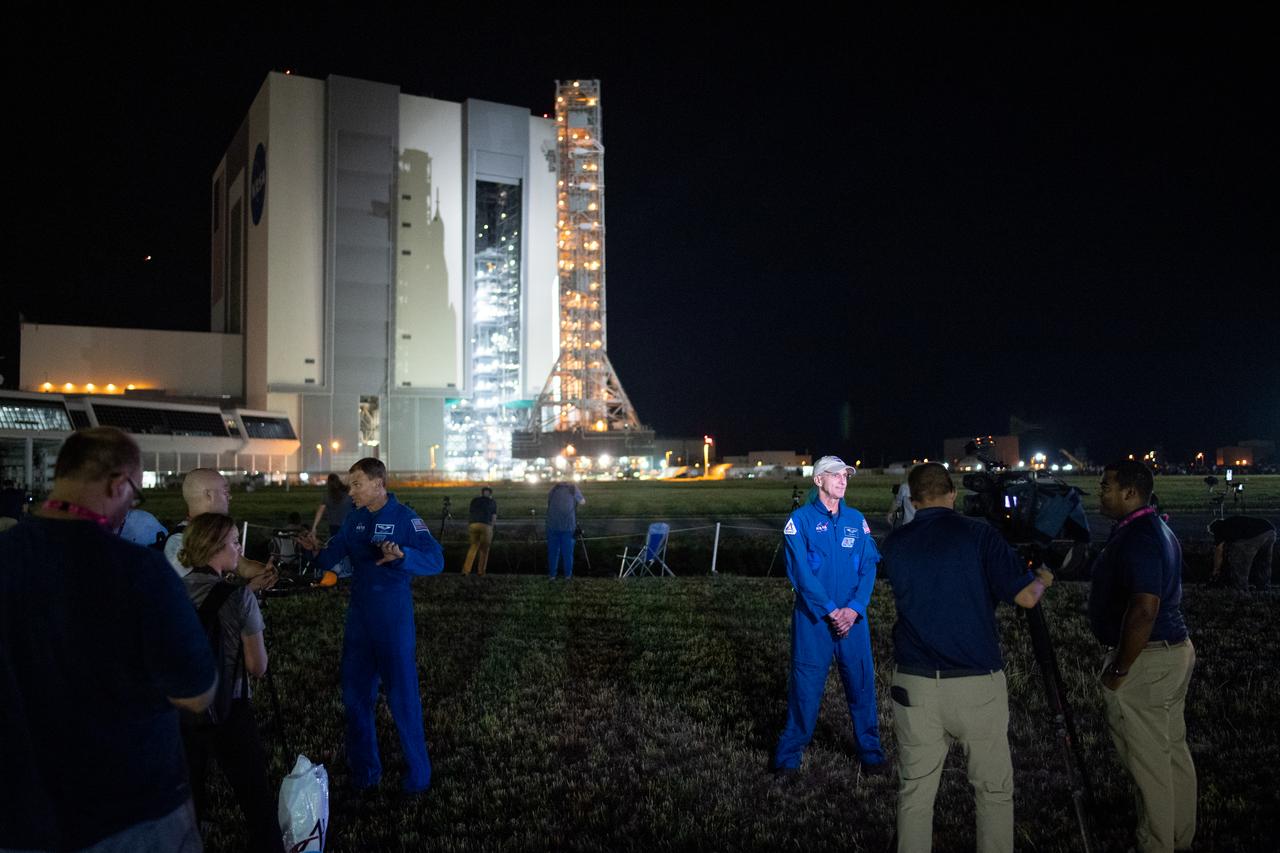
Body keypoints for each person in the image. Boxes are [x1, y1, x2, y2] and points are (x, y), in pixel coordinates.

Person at [1, 426, 216, 852]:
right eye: (134, 495)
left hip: (17, 814)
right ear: (119, 485)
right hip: (131, 813)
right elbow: (196, 694)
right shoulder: (140, 572)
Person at [880, 462, 1054, 852]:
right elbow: (1026, 598)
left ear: (912, 498)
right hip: (976, 682)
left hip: (915, 683)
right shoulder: (979, 535)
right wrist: (1042, 579)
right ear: (953, 493)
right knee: (992, 790)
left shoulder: (895, 544)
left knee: (915, 793)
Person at [295, 458, 444, 794]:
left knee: (402, 697)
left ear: (379, 483)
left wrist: (403, 555)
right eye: (350, 485)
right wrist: (312, 553)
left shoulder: (406, 518)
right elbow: (329, 558)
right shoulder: (354, 520)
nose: (351, 492)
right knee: (355, 697)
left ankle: (419, 777)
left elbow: (436, 560)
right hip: (359, 621)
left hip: (393, 620)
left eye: (357, 484)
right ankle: (365, 773)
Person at [1089, 459, 1196, 853]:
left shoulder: (1139, 538)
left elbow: (1144, 609)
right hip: (1170, 651)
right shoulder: (1155, 528)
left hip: (1147, 660)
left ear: (1130, 493)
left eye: (1105, 486)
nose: (1100, 492)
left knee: (1147, 763)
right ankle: (1180, 835)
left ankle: (1156, 844)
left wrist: (1120, 667)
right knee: (1171, 753)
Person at [771, 455, 887, 775]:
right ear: (818, 480)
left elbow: (868, 566)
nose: (842, 480)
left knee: (861, 686)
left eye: (846, 475)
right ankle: (789, 757)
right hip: (814, 622)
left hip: (853, 621)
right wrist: (831, 610)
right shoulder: (800, 521)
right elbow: (801, 574)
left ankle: (871, 753)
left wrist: (854, 609)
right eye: (835, 475)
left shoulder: (857, 520)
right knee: (805, 689)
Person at [176, 513, 279, 852]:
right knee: (255, 798)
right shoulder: (240, 598)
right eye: (235, 542)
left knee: (188, 793)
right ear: (217, 548)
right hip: (229, 707)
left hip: (181, 710)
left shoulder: (170, 591)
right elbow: (257, 666)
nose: (239, 549)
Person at [165, 468, 273, 589]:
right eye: (225, 492)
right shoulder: (179, 542)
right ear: (209, 495)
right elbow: (189, 598)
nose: (230, 497)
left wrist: (267, 572)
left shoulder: (215, 533)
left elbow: (243, 566)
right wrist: (247, 591)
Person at [1208, 515, 1274, 592]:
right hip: (1269, 531)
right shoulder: (1231, 522)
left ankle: (1242, 591)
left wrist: (1216, 570)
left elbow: (1219, 552)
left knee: (1238, 562)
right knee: (1263, 563)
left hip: (1252, 536)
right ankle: (1264, 589)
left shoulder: (1218, 529)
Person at [310, 472, 355, 584]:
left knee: (335, 550)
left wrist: (314, 527)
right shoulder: (348, 493)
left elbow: (320, 511)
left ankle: (336, 573)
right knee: (349, 550)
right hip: (348, 527)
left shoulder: (328, 496)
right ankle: (348, 572)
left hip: (334, 527)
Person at [546, 480, 585, 579]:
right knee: (567, 553)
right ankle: (567, 575)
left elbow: (549, 501)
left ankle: (552, 575)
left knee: (553, 553)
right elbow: (582, 502)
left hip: (552, 525)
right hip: (568, 526)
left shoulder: (554, 489)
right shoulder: (573, 488)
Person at [463, 486, 498, 576]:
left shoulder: (474, 500)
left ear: (481, 493)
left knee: (473, 547)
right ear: (490, 494)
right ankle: (481, 572)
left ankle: (466, 571)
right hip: (486, 525)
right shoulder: (492, 502)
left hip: (473, 525)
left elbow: (470, 512)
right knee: (484, 550)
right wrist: (492, 528)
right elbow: (494, 517)